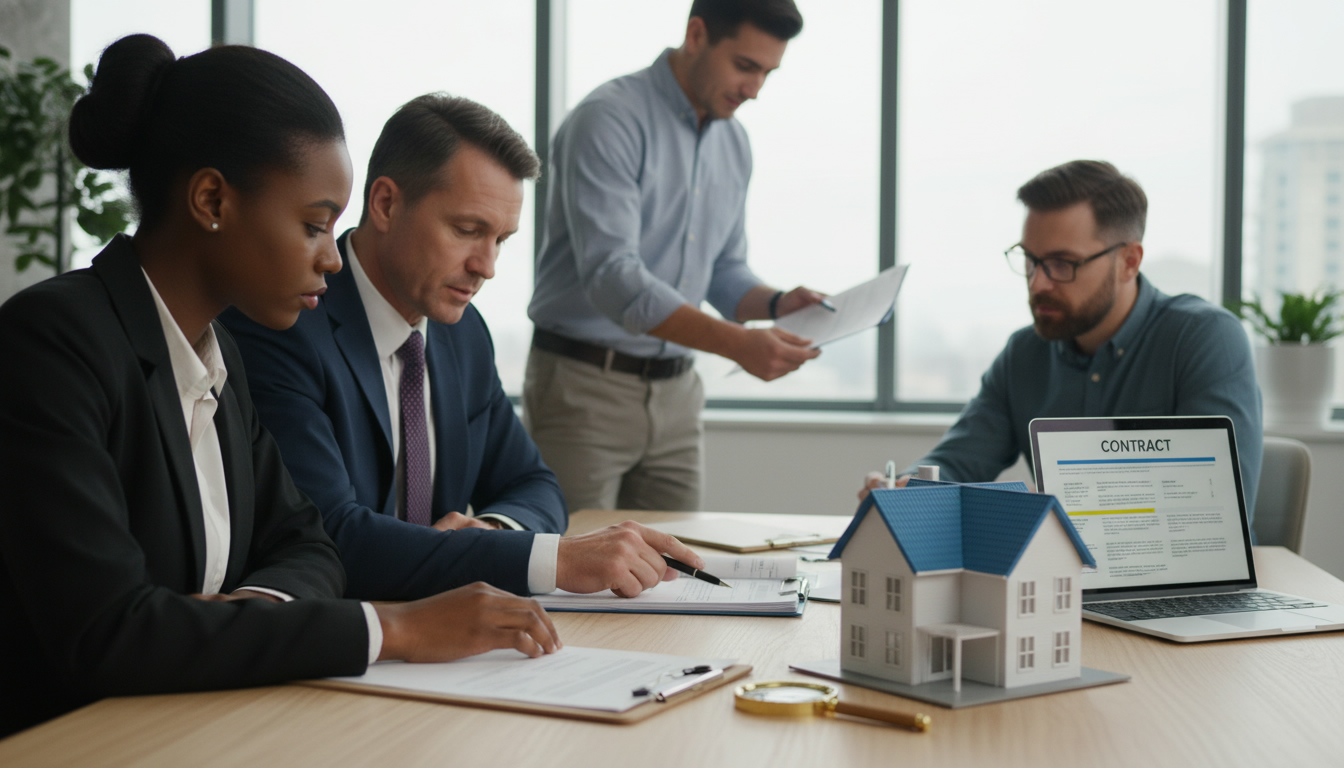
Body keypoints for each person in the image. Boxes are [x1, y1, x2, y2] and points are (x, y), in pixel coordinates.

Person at [0, 35, 564, 738]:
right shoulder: (53, 342)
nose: (332, 257)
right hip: (77, 741)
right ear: (211, 199)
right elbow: (110, 632)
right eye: (312, 224)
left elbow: (308, 545)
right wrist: (391, 629)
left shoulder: (218, 355)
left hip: (207, 720)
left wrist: (248, 612)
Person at [221, 95, 705, 601]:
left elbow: (534, 483)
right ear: (385, 204)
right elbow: (332, 537)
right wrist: (549, 559)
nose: (486, 266)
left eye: (501, 240)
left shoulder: (462, 333)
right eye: (468, 231)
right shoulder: (285, 323)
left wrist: (494, 532)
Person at [525, 0, 824, 513]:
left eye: (767, 73)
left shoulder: (734, 143)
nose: (755, 90)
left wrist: (778, 303)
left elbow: (724, 271)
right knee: (566, 567)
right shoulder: (609, 119)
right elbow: (613, 277)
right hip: (583, 391)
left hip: (678, 396)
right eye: (745, 66)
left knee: (678, 569)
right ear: (697, 34)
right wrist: (738, 345)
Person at [859, 160, 1264, 522]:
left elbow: (1217, 509)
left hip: (1186, 591)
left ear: (1129, 262)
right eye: (1030, 261)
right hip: (1061, 586)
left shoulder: (1204, 340)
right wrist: (907, 491)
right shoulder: (1024, 354)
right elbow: (958, 461)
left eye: (1061, 264)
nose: (1038, 283)